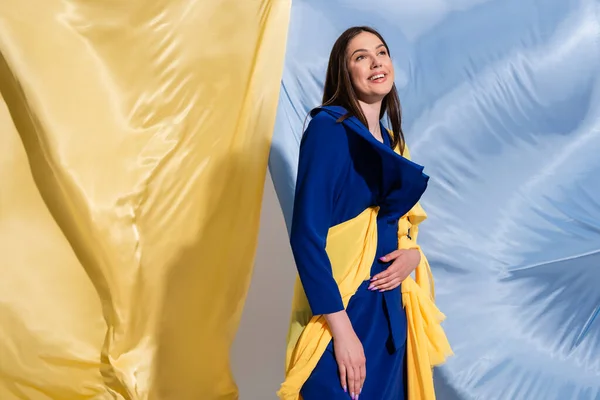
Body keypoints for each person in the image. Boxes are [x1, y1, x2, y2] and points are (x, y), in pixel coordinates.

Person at [278, 26, 452, 400]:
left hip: (390, 315)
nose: (376, 62)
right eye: (361, 57)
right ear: (345, 72)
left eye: (382, 52)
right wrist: (341, 332)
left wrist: (412, 256)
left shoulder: (393, 141)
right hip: (343, 312)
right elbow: (305, 237)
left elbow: (402, 226)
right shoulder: (328, 129)